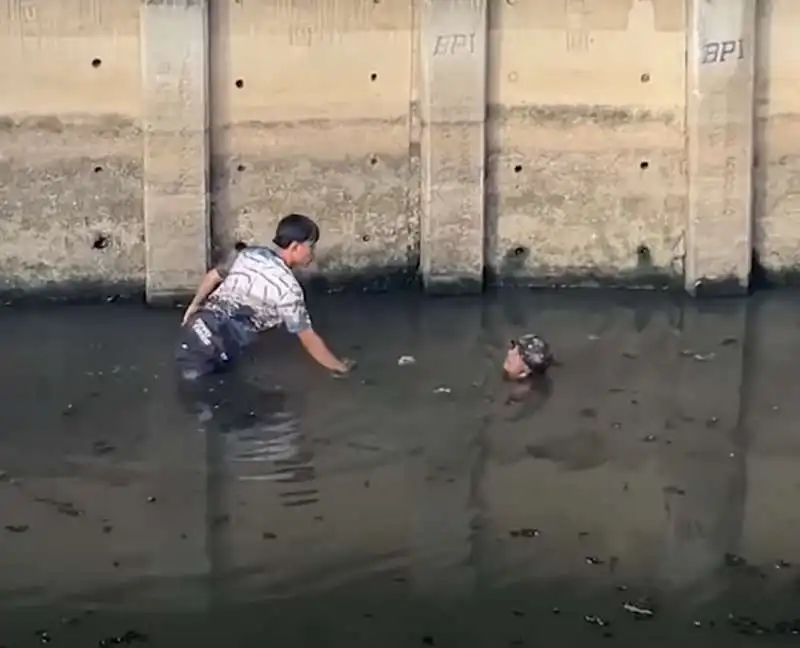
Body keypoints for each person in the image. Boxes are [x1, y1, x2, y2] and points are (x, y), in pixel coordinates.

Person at [175, 213, 354, 381]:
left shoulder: (249, 254)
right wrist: (339, 368)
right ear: (295, 247)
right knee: (210, 396)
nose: (313, 253)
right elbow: (309, 339)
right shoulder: (289, 290)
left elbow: (214, 275)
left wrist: (193, 306)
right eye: (311, 246)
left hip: (197, 325)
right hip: (218, 343)